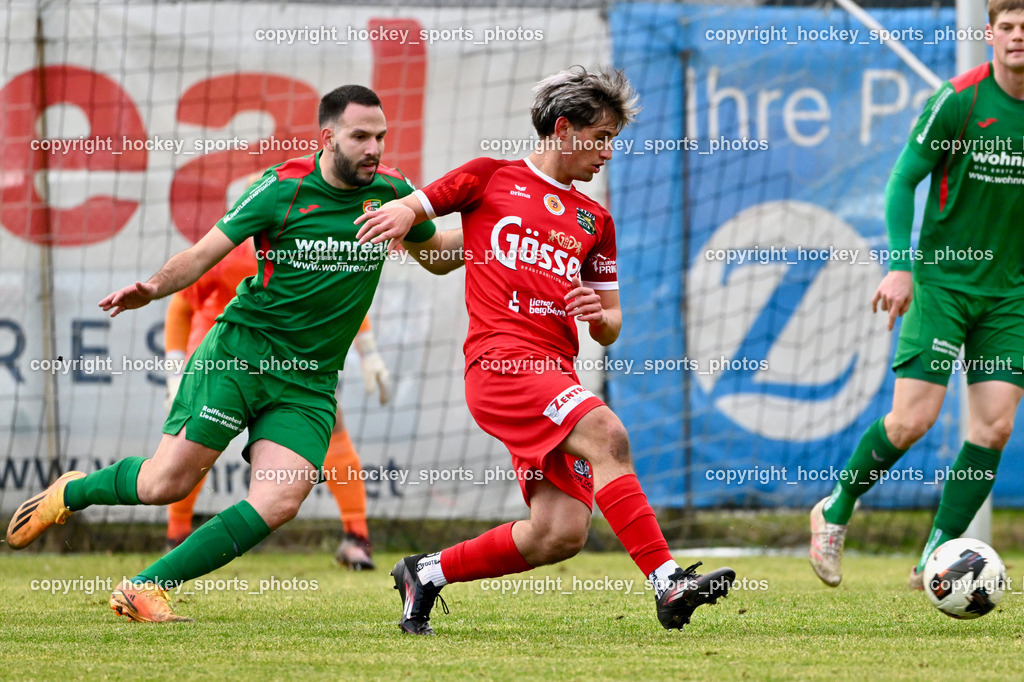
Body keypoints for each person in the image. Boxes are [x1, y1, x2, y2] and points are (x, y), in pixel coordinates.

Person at [6, 84, 460, 622]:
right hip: (239, 358)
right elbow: (202, 254)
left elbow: (437, 258)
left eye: (381, 137)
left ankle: (145, 588)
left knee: (281, 500)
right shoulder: (281, 189)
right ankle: (72, 491)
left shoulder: (393, 193)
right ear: (327, 137)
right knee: (163, 483)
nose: (374, 148)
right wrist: (151, 288)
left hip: (309, 382)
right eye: (360, 136)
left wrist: (489, 232)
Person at [355, 66, 736, 635]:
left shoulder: (596, 220)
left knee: (558, 534)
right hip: (502, 364)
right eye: (601, 137)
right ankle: (667, 581)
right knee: (610, 437)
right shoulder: (489, 178)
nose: (609, 151)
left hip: (555, 374)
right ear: (563, 129)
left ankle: (424, 573)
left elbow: (612, 325)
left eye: (614, 139)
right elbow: (421, 214)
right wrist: (399, 212)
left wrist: (597, 315)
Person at [809, 0, 1024, 589]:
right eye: (1007, 27)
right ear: (990, 34)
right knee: (912, 421)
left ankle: (938, 553)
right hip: (942, 283)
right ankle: (833, 510)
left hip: (1011, 296)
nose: (1017, 37)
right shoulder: (959, 100)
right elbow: (904, 178)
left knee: (995, 428)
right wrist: (900, 267)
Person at [163, 243, 390, 569]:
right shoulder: (229, 251)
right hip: (224, 360)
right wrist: (175, 373)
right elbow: (181, 305)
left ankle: (357, 537)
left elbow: (341, 296)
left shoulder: (308, 246)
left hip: (285, 360)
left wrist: (369, 352)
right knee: (194, 445)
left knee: (333, 424)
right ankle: (176, 536)